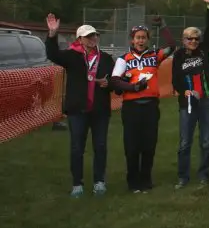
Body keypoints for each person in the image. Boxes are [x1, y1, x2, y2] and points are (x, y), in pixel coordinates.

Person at [44, 16, 144, 197]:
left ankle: (99, 181)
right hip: (77, 110)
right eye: (88, 36)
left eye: (94, 36)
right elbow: (52, 54)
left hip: (100, 111)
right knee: (77, 148)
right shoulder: (71, 55)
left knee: (100, 146)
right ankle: (77, 184)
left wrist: (109, 85)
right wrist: (52, 34)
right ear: (80, 39)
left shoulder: (105, 58)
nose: (92, 39)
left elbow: (115, 80)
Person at [112, 18, 176, 193]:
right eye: (137, 37)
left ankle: (146, 180)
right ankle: (133, 182)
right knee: (132, 146)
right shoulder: (123, 59)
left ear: (148, 39)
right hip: (131, 107)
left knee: (149, 145)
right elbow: (115, 82)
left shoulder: (155, 56)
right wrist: (133, 87)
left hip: (150, 106)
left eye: (144, 37)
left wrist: (163, 26)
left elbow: (172, 46)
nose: (140, 40)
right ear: (132, 40)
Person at [171, 0, 209, 189]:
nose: (193, 41)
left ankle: (204, 175)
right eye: (189, 38)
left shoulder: (204, 51)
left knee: (206, 142)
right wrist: (184, 91)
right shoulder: (179, 56)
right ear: (183, 40)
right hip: (187, 103)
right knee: (185, 142)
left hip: (207, 100)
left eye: (196, 39)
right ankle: (183, 177)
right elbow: (175, 78)